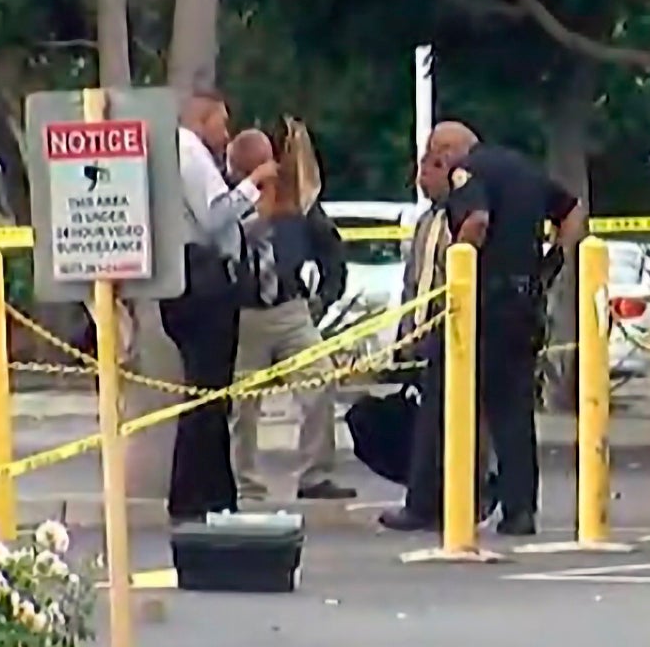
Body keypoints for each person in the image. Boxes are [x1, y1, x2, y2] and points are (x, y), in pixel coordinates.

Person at [381, 121, 584, 536]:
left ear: (452, 150)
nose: (435, 165)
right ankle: (519, 510)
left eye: (436, 155)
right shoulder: (523, 170)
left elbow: (476, 220)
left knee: (439, 401)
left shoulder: (466, 173)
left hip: (479, 305)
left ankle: (421, 504)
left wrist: (460, 264)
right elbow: (573, 211)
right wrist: (554, 258)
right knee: (512, 412)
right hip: (522, 304)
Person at [223, 128, 355, 502]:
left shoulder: (295, 200)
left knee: (319, 379)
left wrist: (326, 295)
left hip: (289, 306)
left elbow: (328, 245)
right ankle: (244, 481)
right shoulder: (229, 201)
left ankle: (315, 474)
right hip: (243, 311)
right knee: (242, 404)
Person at [166, 89, 274, 525]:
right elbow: (214, 217)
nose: (226, 134)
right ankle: (196, 493)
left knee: (209, 394)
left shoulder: (177, 152)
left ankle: (213, 490)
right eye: (221, 122)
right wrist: (256, 181)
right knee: (207, 394)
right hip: (203, 280)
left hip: (188, 276)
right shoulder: (189, 152)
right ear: (203, 117)